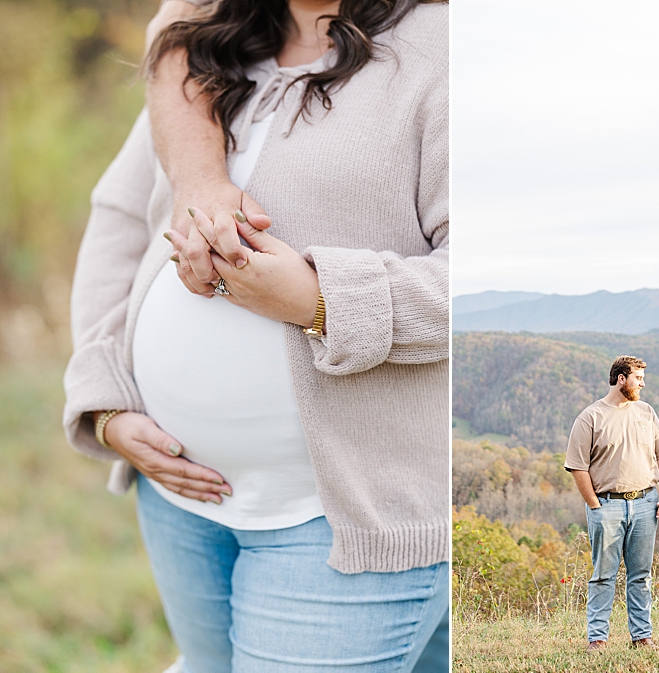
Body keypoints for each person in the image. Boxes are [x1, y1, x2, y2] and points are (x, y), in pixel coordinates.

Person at [62, 0, 449, 670]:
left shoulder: (443, 54)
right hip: (180, 498)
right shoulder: (212, 39)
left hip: (343, 521)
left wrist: (322, 297)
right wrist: (107, 398)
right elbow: (124, 216)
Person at [564, 355, 659, 651]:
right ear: (621, 379)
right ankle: (597, 639)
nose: (642, 384)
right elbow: (578, 466)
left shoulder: (646, 412)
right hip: (607, 506)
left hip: (645, 503)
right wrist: (594, 506)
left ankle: (642, 637)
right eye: (638, 379)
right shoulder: (590, 417)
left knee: (641, 575)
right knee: (603, 576)